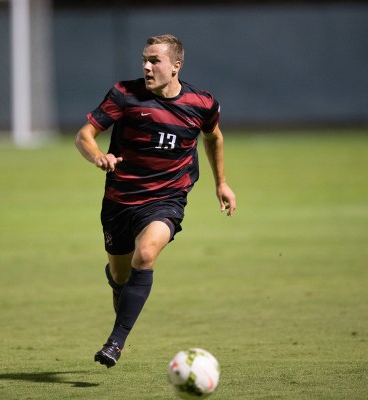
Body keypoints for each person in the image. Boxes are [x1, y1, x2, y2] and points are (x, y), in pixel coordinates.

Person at [75, 34, 236, 368]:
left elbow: (214, 137)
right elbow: (84, 136)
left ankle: (115, 343)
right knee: (120, 276)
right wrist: (97, 156)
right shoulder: (125, 94)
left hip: (166, 198)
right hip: (120, 200)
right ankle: (121, 291)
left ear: (176, 66)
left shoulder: (202, 104)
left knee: (146, 254)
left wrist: (221, 183)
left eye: (155, 61)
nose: (147, 67)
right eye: (144, 60)